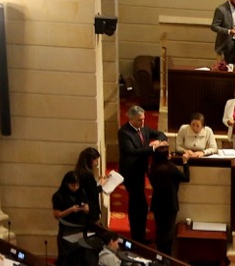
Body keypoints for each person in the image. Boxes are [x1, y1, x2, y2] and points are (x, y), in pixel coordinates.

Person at [117, 105, 168, 244]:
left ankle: (139, 237)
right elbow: (131, 152)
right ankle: (137, 238)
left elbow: (160, 134)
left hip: (140, 171)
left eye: (144, 119)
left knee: (141, 206)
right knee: (137, 206)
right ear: (131, 119)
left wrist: (158, 140)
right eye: (140, 120)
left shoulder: (143, 128)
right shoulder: (124, 133)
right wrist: (152, 148)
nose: (143, 122)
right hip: (131, 173)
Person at [149, 146, 189, 253]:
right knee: (168, 232)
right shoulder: (171, 168)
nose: (170, 155)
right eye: (169, 154)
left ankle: (159, 254)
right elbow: (186, 178)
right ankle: (166, 255)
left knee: (159, 230)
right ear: (165, 156)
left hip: (157, 202)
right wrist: (185, 163)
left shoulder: (153, 168)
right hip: (170, 203)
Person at [72, 147, 106, 227]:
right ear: (89, 160)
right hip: (90, 207)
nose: (97, 163)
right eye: (95, 160)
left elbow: (88, 186)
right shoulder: (87, 174)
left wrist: (98, 180)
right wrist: (102, 185)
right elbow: (92, 192)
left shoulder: (79, 171)